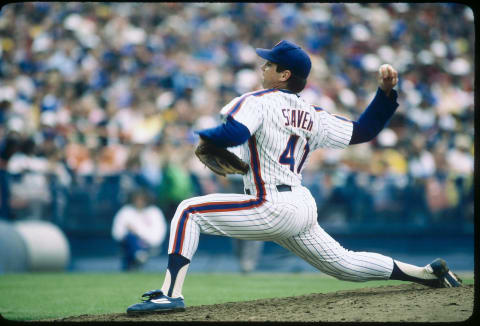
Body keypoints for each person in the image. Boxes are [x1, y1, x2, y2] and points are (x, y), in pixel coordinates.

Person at [126, 40, 462, 314]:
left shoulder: (256, 101)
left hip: (270, 204)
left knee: (188, 211)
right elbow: (365, 130)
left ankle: (170, 294)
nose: (263, 67)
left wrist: (206, 136)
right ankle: (425, 274)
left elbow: (233, 131)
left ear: (284, 74)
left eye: (269, 64)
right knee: (344, 264)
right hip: (300, 204)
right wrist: (385, 95)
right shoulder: (313, 114)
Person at [112, 189, 167, 271]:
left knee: (135, 243)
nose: (139, 202)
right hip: (127, 244)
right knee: (131, 238)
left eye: (142, 199)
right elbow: (117, 233)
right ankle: (138, 255)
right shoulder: (125, 211)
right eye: (136, 199)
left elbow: (158, 234)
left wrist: (138, 233)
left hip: (147, 244)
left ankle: (138, 255)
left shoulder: (154, 212)